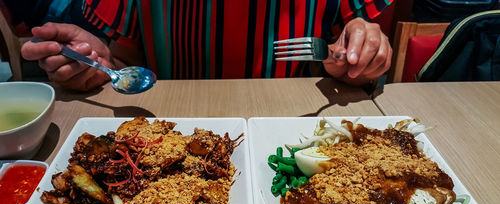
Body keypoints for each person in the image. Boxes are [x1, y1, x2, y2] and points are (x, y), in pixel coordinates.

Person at [21, 0, 394, 91]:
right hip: (169, 129)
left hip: (295, 130)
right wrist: (100, 65)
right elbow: (126, 58)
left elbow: (343, 63)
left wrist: (356, 59)